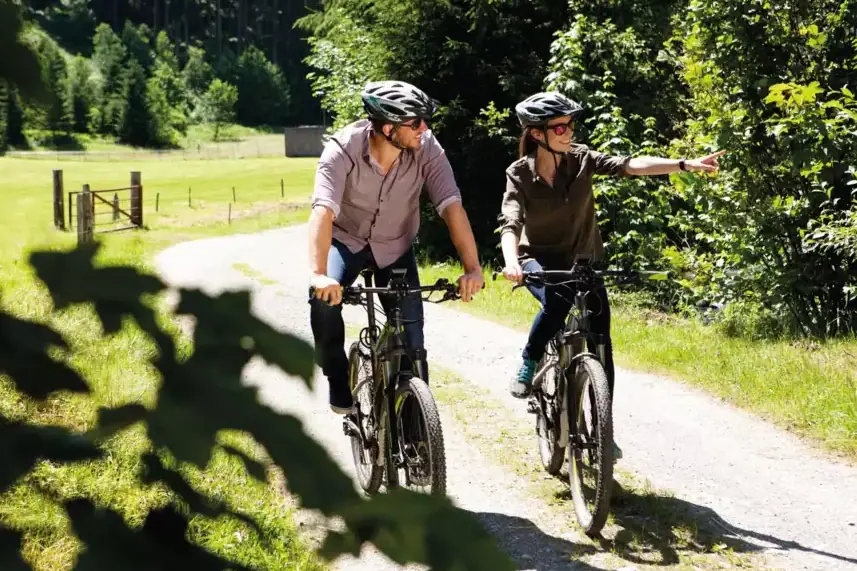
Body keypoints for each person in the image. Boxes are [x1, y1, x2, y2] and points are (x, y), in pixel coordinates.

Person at [498, 91, 724, 457]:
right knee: (557, 302)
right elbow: (511, 222)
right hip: (537, 260)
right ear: (537, 134)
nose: (568, 132)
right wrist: (511, 262)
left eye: (570, 125)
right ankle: (529, 361)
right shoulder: (519, 173)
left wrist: (684, 164)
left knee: (601, 339)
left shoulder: (583, 159)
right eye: (559, 126)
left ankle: (603, 424)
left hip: (582, 260)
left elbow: (630, 165)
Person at [309, 80, 484, 414]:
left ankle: (416, 426)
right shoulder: (342, 150)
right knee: (322, 301)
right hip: (347, 241)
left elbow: (451, 206)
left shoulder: (427, 148)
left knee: (412, 345)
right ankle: (335, 374)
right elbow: (323, 211)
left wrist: (472, 267)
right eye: (416, 122)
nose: (425, 128)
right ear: (388, 127)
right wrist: (319, 275)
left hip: (396, 246)